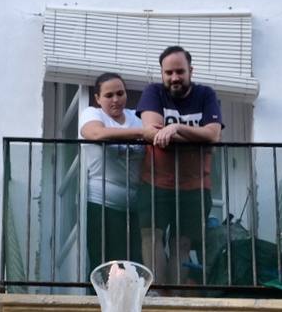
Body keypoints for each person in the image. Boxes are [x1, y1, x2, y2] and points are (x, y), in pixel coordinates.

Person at [137, 46, 223, 285]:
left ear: (190, 71)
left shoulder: (206, 94)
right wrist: (198, 138)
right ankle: (157, 295)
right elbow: (152, 133)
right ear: (162, 73)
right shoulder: (153, 92)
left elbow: (213, 135)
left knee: (182, 244)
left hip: (195, 186)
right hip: (154, 182)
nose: (174, 77)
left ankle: (175, 296)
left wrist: (175, 128)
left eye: (180, 72)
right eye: (169, 72)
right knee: (151, 238)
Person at [78, 72, 144, 272]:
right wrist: (141, 133)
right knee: (106, 265)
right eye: (108, 95)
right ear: (98, 98)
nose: (115, 100)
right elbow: (94, 133)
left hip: (137, 207)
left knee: (135, 265)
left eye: (120, 93)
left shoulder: (137, 117)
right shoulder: (93, 113)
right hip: (102, 204)